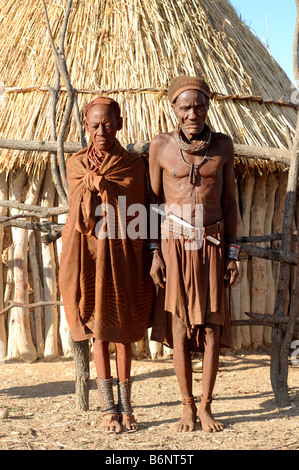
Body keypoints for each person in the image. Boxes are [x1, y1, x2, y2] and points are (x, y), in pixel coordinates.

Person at [148, 75, 239, 433]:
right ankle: (185, 406)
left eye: (199, 106)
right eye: (185, 107)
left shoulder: (222, 146)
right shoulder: (161, 146)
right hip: (175, 248)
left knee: (213, 326)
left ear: (208, 106)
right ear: (173, 108)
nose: (192, 114)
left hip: (213, 246)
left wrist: (233, 253)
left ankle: (205, 407)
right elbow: (154, 202)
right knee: (180, 327)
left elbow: (231, 203)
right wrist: (154, 251)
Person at [59, 96, 154, 433]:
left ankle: (128, 408)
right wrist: (93, 185)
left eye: (108, 124)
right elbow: (76, 213)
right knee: (98, 332)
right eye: (95, 125)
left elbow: (139, 212)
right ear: (85, 126)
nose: (102, 131)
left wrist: (104, 188)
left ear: (120, 124)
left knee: (123, 334)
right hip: (87, 257)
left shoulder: (132, 165)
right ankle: (108, 409)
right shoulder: (75, 165)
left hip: (123, 257)